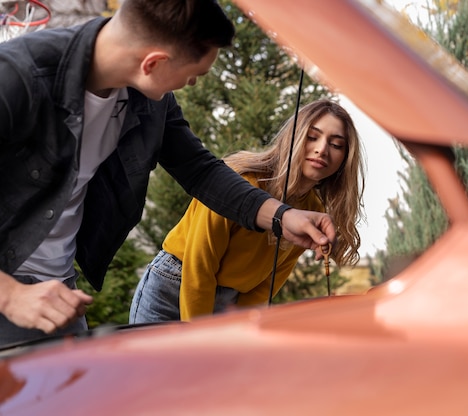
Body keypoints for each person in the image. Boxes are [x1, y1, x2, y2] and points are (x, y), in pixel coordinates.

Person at [0, 0, 336, 347]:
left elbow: (200, 171)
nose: (190, 84)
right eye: (193, 75)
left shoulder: (149, 99)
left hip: (57, 290)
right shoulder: (17, 77)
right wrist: (11, 296)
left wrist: (283, 217)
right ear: (154, 62)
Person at [129, 99, 365, 322]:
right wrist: (198, 335)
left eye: (336, 145)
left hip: (229, 300)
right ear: (294, 137)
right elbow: (200, 264)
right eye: (312, 137)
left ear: (345, 158)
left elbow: (266, 285)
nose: (322, 149)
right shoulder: (242, 180)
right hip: (176, 285)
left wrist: (241, 328)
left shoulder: (313, 211)